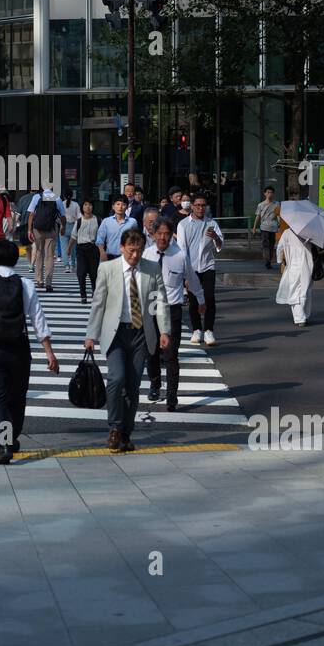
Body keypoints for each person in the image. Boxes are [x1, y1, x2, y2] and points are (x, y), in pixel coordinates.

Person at [0, 239, 60, 464]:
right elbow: (38, 319)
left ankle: (4, 442)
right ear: (16, 260)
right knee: (16, 398)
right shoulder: (25, 284)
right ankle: (11, 438)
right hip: (18, 350)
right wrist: (50, 353)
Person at [84, 229, 170, 453]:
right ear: (122, 248)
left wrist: (164, 331)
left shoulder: (151, 269)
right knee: (117, 378)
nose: (135, 255)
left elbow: (159, 302)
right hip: (115, 333)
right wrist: (91, 335)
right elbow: (98, 302)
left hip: (141, 333)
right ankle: (114, 427)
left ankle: (125, 433)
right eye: (131, 250)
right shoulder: (108, 269)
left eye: (140, 250)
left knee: (132, 386)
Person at [143, 219, 203, 411]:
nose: (162, 237)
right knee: (151, 353)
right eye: (159, 233)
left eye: (166, 234)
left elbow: (192, 280)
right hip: (151, 308)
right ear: (153, 235)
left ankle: (171, 396)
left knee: (171, 356)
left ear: (171, 235)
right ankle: (154, 383)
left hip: (172, 310)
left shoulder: (180, 255)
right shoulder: (147, 254)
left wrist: (201, 299)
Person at [177, 192, 225, 345]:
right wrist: (185, 275)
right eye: (197, 205)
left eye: (203, 205)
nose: (200, 208)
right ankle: (196, 329)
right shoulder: (183, 224)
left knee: (210, 298)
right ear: (192, 206)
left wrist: (215, 237)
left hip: (207, 265)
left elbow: (220, 245)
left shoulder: (212, 223)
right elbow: (182, 249)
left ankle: (208, 330)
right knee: (194, 301)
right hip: (191, 268)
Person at [276, 216, 315, 327]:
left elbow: (279, 248)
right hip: (308, 265)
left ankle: (300, 318)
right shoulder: (309, 232)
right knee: (306, 290)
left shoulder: (287, 233)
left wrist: (280, 262)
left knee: (294, 291)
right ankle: (305, 315)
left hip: (293, 265)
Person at [28, 188, 62, 291]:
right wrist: (63, 227)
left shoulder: (36, 197)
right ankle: (48, 282)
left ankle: (39, 280)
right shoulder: (57, 198)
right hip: (52, 228)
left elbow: (31, 214)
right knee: (50, 255)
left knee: (39, 254)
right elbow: (63, 215)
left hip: (38, 229)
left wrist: (29, 230)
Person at [74, 199, 100, 304]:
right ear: (82, 207)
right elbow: (73, 236)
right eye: (85, 204)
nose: (88, 207)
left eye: (90, 204)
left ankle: (95, 292)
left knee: (94, 273)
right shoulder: (79, 221)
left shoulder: (98, 220)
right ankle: (83, 295)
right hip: (81, 249)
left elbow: (102, 236)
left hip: (93, 248)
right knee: (81, 273)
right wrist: (69, 248)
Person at [95, 196, 137, 261]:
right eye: (118, 204)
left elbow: (136, 240)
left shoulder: (132, 222)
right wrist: (102, 252)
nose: (120, 207)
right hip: (109, 256)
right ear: (113, 206)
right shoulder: (106, 221)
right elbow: (100, 239)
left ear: (127, 207)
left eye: (123, 204)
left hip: (126, 257)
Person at [252, 185, 280, 269]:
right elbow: (258, 216)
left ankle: (269, 260)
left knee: (271, 245)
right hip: (264, 227)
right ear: (265, 194)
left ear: (273, 194)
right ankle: (267, 259)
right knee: (265, 244)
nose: (270, 194)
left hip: (273, 227)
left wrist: (279, 225)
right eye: (268, 192)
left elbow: (278, 215)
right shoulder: (261, 205)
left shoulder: (277, 204)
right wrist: (254, 228)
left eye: (271, 192)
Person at [60, 190, 81, 272]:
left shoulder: (61, 204)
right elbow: (79, 217)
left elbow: (59, 217)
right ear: (72, 196)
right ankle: (73, 264)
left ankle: (66, 266)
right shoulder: (76, 205)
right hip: (73, 226)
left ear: (64, 196)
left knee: (64, 247)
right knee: (73, 247)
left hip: (63, 226)